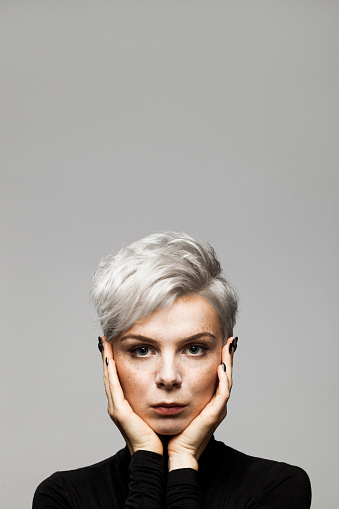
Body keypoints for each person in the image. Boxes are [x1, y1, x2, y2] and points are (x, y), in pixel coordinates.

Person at [33, 231, 312, 508]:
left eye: (194, 349)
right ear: (109, 358)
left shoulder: (278, 487)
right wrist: (147, 463)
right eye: (142, 350)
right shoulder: (63, 498)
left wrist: (184, 458)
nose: (168, 377)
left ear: (227, 356)